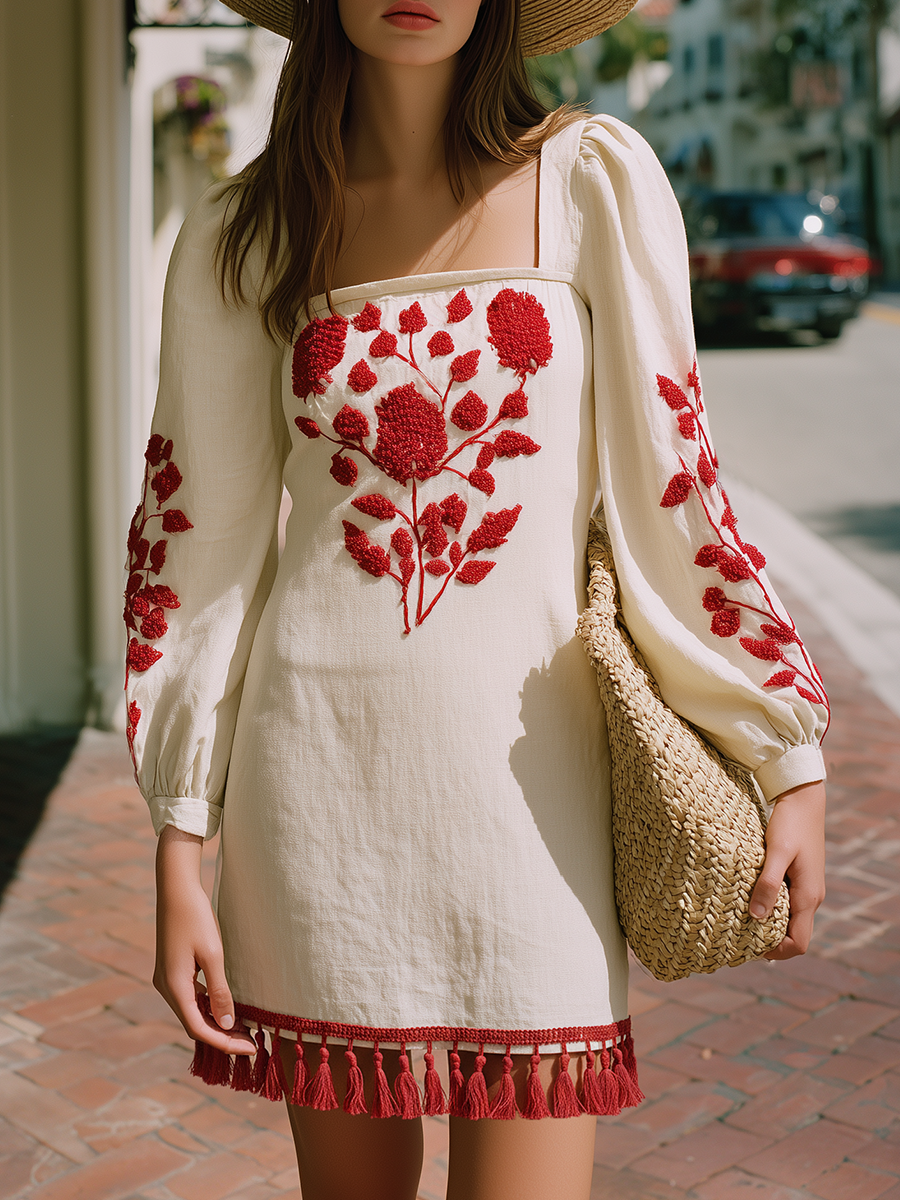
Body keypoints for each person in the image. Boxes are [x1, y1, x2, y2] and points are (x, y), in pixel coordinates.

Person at [124, 2, 829, 1197]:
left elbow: (675, 490)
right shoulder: (245, 234)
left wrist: (783, 743)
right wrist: (180, 837)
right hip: (314, 802)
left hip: (534, 809)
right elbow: (200, 558)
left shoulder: (590, 180)